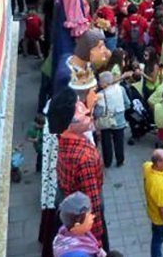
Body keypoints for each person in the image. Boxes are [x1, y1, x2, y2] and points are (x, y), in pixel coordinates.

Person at [48, 88, 109, 251]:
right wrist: (97, 244)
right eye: (81, 111)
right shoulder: (84, 159)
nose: (87, 112)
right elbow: (92, 205)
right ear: (69, 124)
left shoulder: (65, 139)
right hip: (86, 224)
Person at [53, 191, 107, 257]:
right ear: (77, 225)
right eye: (89, 215)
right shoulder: (78, 255)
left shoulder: (66, 231)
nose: (93, 216)